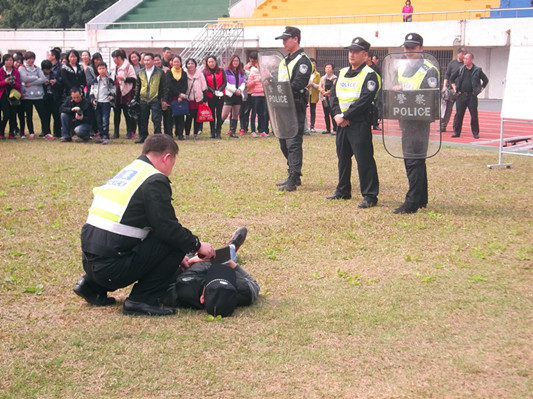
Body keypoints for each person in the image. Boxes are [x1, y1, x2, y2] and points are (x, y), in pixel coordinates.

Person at [73, 134, 216, 316]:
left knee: (153, 239)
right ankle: (140, 300)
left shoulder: (130, 172)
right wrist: (197, 245)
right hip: (111, 268)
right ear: (167, 158)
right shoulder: (154, 180)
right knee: (174, 243)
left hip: (91, 262)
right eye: (173, 162)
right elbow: (168, 229)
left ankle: (91, 286)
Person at [327, 37, 380, 209]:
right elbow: (333, 96)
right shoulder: (342, 72)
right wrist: (336, 115)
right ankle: (343, 190)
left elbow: (365, 100)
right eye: (350, 51)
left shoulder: (370, 75)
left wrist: (345, 116)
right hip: (341, 122)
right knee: (342, 157)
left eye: (356, 51)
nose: (351, 54)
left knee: (364, 159)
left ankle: (370, 195)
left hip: (358, 123)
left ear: (365, 55)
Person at [161, 227, 259, 317]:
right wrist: (228, 262)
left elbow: (163, 283)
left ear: (202, 298)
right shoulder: (244, 290)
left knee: (187, 250)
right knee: (227, 256)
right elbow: (254, 283)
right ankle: (232, 246)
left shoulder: (185, 290)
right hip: (223, 263)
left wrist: (191, 261)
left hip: (193, 266)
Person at [392, 33, 439, 214]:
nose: (408, 51)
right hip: (405, 118)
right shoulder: (401, 68)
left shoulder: (429, 69)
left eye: (412, 47)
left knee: (413, 160)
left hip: (419, 121)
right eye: (406, 47)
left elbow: (430, 97)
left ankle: (411, 203)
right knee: (414, 160)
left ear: (421, 48)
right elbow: (396, 89)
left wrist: (405, 91)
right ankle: (421, 198)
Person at [274, 26, 313, 192]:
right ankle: (293, 173)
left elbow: (298, 84)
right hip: (282, 105)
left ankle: (294, 176)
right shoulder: (284, 60)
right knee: (283, 141)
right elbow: (279, 79)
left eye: (286, 39)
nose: (284, 42)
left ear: (295, 38)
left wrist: (280, 88)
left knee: (293, 142)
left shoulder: (303, 61)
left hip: (295, 105)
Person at [450, 52, 489, 139]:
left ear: (471, 60)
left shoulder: (477, 70)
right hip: (461, 95)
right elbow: (451, 78)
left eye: (466, 59)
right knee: (459, 115)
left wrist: (480, 89)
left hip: (472, 96)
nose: (464, 60)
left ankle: (475, 133)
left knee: (474, 115)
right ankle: (456, 132)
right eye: (464, 59)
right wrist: (454, 88)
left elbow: (485, 80)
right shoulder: (461, 69)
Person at [135, 53, 165, 144]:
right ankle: (143, 136)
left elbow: (163, 87)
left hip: (155, 99)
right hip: (143, 99)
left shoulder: (160, 72)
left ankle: (158, 138)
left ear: (152, 61)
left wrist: (163, 99)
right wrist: (136, 99)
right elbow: (138, 86)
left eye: (148, 60)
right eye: (145, 60)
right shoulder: (140, 72)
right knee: (143, 119)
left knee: (156, 119)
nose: (146, 62)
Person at [18, 51, 47, 139]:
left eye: (32, 58)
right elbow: (24, 78)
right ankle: (31, 132)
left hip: (38, 95)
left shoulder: (37, 68)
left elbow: (43, 79)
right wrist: (36, 78)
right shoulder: (21, 68)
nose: (31, 60)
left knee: (42, 114)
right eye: (29, 59)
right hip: (27, 96)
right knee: (29, 115)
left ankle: (46, 131)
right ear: (26, 60)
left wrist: (31, 83)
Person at [111, 49, 137, 139]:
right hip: (116, 93)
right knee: (116, 114)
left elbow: (134, 79)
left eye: (114, 58)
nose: (114, 60)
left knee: (127, 114)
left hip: (126, 93)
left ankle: (129, 132)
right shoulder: (114, 67)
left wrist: (124, 79)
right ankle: (116, 132)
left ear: (119, 58)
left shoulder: (128, 66)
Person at [441, 46, 467, 132]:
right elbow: (447, 75)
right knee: (447, 109)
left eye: (465, 54)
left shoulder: (466, 65)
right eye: (463, 54)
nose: (464, 56)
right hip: (451, 90)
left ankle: (456, 127)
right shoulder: (452, 63)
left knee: (460, 110)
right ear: (458, 54)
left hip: (462, 91)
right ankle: (443, 125)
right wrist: (444, 86)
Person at [89, 62, 115, 145]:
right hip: (97, 103)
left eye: (103, 68)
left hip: (106, 102)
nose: (102, 70)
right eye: (100, 69)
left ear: (106, 69)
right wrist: (92, 99)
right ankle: (101, 136)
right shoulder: (95, 81)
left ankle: (105, 136)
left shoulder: (109, 80)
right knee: (98, 120)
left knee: (105, 120)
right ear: (97, 70)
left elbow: (114, 90)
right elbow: (91, 91)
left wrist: (111, 96)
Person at [221, 54, 246, 139]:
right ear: (231, 62)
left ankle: (233, 131)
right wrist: (234, 90)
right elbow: (225, 83)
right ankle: (217, 129)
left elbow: (243, 82)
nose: (236, 62)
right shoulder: (226, 71)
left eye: (237, 61)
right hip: (229, 94)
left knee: (235, 114)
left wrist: (240, 90)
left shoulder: (240, 72)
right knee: (225, 114)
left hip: (238, 95)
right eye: (234, 61)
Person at [165, 55, 188, 140]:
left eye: (178, 62)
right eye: (174, 62)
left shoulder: (184, 73)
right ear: (172, 63)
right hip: (171, 97)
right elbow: (169, 85)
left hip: (181, 98)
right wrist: (178, 94)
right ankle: (169, 134)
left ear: (181, 63)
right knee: (170, 117)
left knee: (180, 116)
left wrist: (181, 95)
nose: (176, 63)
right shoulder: (169, 72)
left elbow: (185, 85)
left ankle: (180, 133)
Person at [184, 57, 207, 140]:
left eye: (192, 63)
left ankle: (195, 134)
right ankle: (186, 134)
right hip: (188, 99)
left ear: (195, 65)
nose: (190, 65)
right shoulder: (184, 74)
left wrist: (204, 100)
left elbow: (204, 87)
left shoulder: (200, 74)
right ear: (186, 65)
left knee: (197, 118)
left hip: (198, 99)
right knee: (188, 118)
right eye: (188, 63)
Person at [204, 55, 227, 139]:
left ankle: (218, 132)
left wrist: (219, 90)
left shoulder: (221, 70)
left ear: (215, 62)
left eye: (212, 61)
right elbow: (205, 84)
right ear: (207, 63)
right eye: (209, 62)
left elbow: (225, 82)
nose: (211, 63)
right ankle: (212, 132)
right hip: (210, 95)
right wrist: (213, 91)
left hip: (220, 95)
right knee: (212, 114)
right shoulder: (205, 72)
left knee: (219, 113)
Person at [42, 49, 63, 139]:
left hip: (55, 95)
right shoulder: (41, 72)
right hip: (45, 96)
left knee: (56, 115)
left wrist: (55, 82)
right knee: (46, 115)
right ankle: (46, 132)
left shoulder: (58, 70)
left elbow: (61, 81)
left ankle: (57, 132)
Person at [246, 51, 267, 138]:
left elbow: (270, 80)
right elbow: (248, 84)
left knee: (263, 113)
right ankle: (253, 130)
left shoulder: (265, 71)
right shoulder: (253, 71)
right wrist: (255, 81)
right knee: (254, 113)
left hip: (263, 95)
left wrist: (266, 82)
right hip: (255, 95)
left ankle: (262, 130)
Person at [0, 53, 21, 139]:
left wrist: (13, 83)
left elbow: (19, 85)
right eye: (7, 60)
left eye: (11, 60)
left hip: (13, 95)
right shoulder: (1, 70)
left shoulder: (15, 71)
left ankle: (11, 132)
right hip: (3, 95)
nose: (9, 62)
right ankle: (1, 132)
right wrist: (5, 82)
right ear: (4, 62)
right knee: (6, 114)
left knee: (13, 114)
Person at [154, 54, 173, 137]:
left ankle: (168, 134)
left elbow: (168, 85)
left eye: (158, 60)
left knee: (167, 117)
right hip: (155, 97)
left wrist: (164, 98)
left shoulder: (166, 70)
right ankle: (158, 134)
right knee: (157, 118)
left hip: (166, 96)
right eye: (154, 60)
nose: (157, 62)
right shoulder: (151, 71)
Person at [319, 62, 338, 135]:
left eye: (329, 67)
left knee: (332, 113)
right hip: (324, 98)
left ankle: (335, 129)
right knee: (326, 113)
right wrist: (323, 92)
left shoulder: (334, 78)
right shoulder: (323, 78)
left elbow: (334, 87)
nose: (328, 69)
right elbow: (319, 86)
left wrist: (328, 93)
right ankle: (327, 128)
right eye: (326, 67)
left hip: (331, 98)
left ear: (332, 69)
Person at [307, 58, 321, 133]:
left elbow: (319, 84)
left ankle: (312, 126)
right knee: (304, 110)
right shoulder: (306, 73)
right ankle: (304, 126)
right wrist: (308, 85)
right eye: (311, 63)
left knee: (313, 110)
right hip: (306, 93)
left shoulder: (317, 74)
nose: (313, 65)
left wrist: (313, 84)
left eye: (314, 63)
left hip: (314, 94)